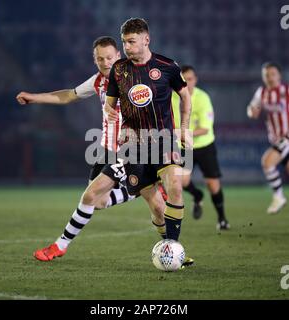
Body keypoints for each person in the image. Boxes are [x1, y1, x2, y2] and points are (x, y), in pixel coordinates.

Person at [17, 36, 166, 261]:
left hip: (131, 150)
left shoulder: (135, 80)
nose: (105, 63)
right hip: (108, 150)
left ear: (118, 56)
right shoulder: (99, 81)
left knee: (90, 196)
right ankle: (139, 191)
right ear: (94, 60)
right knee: (102, 202)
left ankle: (60, 245)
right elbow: (69, 95)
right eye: (100, 59)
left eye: (109, 57)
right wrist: (34, 98)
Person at [104, 18, 192, 244]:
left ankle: (172, 248)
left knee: (175, 187)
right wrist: (109, 112)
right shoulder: (119, 69)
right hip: (132, 145)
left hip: (164, 139)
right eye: (124, 42)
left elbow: (185, 96)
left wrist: (183, 129)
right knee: (157, 207)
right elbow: (109, 103)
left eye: (132, 42)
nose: (127, 47)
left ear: (146, 40)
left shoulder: (167, 66)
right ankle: (167, 242)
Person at [172, 65, 230, 230]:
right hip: (184, 146)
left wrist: (182, 133)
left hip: (204, 145)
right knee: (182, 181)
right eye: (183, 80)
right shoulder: (172, 98)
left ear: (195, 80)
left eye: (190, 79)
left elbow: (205, 128)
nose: (187, 83)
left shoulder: (202, 98)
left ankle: (222, 219)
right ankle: (197, 195)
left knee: (213, 184)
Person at [247, 62, 289, 214]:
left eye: (272, 74)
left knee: (267, 162)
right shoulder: (262, 92)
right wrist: (252, 112)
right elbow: (252, 109)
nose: (270, 78)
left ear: (279, 75)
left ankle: (278, 197)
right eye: (266, 75)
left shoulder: (286, 90)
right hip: (276, 139)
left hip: (286, 137)